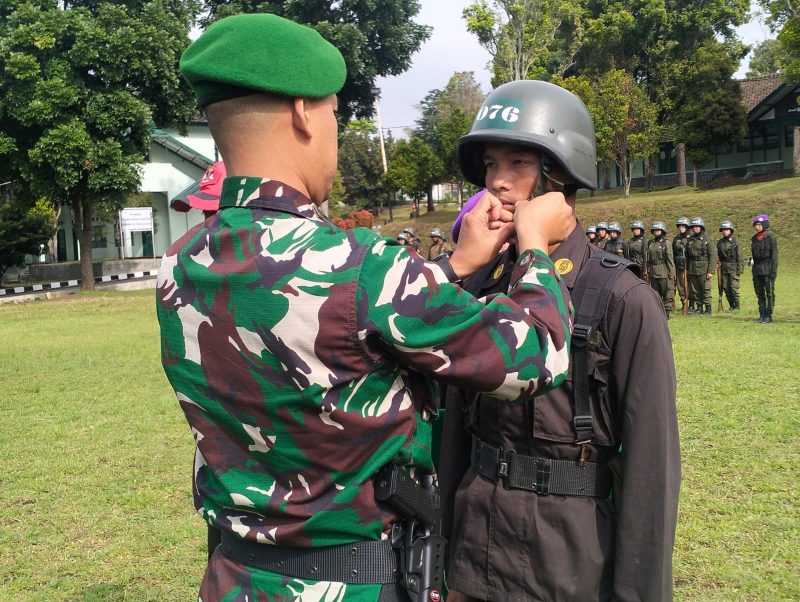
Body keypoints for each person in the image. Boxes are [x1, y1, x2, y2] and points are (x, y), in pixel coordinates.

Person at [156, 14, 576, 601]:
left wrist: (452, 267)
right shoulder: (365, 266)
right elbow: (538, 355)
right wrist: (534, 247)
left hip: (236, 578)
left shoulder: (180, 265)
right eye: (334, 113)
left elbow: (336, 324)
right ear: (304, 112)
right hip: (353, 583)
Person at [440, 79, 680, 602]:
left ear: (561, 175)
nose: (497, 184)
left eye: (518, 164)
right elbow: (453, 429)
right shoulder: (481, 283)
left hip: (566, 558)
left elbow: (650, 468)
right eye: (489, 165)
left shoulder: (621, 297)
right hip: (474, 540)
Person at [686, 216, 717, 315]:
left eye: (697, 227)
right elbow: (687, 255)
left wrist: (710, 271)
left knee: (705, 289)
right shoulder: (690, 240)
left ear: (701, 227)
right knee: (695, 289)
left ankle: (708, 308)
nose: (695, 229)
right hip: (692, 267)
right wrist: (687, 269)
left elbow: (712, 255)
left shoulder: (707, 239)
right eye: (693, 227)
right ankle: (699, 307)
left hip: (704, 268)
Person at [751, 213, 778, 323]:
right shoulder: (754, 239)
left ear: (765, 224)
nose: (757, 227)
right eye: (755, 225)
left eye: (759, 224)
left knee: (769, 293)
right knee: (760, 293)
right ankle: (762, 314)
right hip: (757, 270)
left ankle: (768, 315)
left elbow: (774, 256)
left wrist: (773, 271)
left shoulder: (771, 237)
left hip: (767, 269)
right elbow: (753, 255)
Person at [647, 221, 676, 318]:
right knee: (656, 293)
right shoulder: (650, 243)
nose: (656, 232)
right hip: (653, 271)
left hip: (664, 271)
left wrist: (671, 273)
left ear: (662, 231)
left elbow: (670, 258)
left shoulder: (666, 243)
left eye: (658, 230)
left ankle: (666, 311)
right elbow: (648, 258)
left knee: (667, 292)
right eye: (655, 230)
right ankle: (658, 311)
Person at [717, 220, 743, 312]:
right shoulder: (720, 242)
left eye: (727, 230)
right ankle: (731, 306)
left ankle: (737, 306)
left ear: (731, 230)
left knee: (733, 287)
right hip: (723, 268)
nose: (725, 232)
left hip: (733, 267)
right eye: (723, 230)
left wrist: (740, 269)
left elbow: (739, 256)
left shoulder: (735, 242)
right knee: (725, 287)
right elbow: (718, 255)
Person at [673, 217, 691, 313]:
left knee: (689, 286)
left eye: (683, 226)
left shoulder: (691, 238)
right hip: (679, 265)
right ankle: (684, 303)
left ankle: (691, 305)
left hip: (689, 266)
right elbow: (673, 252)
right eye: (679, 226)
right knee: (681, 286)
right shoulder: (676, 239)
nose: (681, 228)